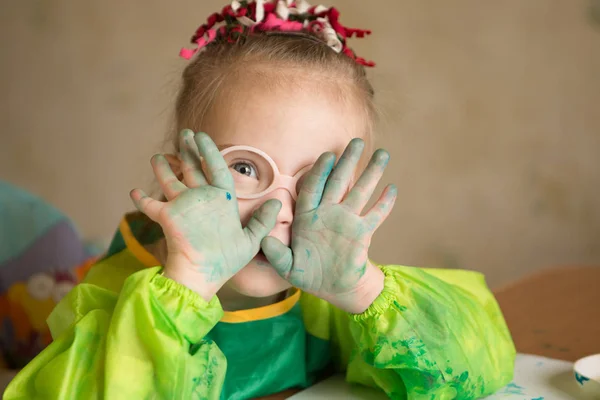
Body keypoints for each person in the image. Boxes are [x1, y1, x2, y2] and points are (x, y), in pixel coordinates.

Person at [4, 1, 516, 399]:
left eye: (318, 178)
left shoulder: (324, 297)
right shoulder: (120, 300)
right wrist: (185, 288)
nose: (280, 210)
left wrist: (363, 289)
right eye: (246, 169)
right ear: (182, 176)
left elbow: (483, 365)